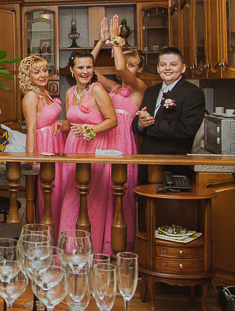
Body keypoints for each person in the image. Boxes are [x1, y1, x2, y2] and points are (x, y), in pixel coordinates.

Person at [91, 15, 147, 251]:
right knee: (100, 192)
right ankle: (101, 243)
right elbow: (87, 69)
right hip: (105, 141)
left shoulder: (139, 88)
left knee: (121, 194)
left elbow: (120, 68)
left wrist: (116, 40)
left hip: (123, 143)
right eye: (128, 63)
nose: (128, 68)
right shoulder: (113, 89)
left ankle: (121, 247)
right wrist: (101, 42)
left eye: (134, 65)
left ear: (139, 68)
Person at [57, 50, 118, 253]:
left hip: (93, 148)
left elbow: (112, 120)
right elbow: (70, 121)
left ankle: (91, 252)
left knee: (92, 202)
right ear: (72, 70)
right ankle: (69, 252)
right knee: (71, 199)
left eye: (89, 67)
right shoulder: (70, 92)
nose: (85, 71)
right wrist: (59, 125)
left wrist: (90, 130)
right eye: (80, 67)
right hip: (73, 148)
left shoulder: (97, 90)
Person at [132, 46, 205, 183]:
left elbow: (187, 129)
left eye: (173, 64)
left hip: (174, 165)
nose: (167, 68)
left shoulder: (193, 93)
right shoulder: (151, 91)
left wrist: (152, 124)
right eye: (163, 65)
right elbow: (136, 126)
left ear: (183, 68)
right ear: (158, 68)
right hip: (147, 162)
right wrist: (141, 123)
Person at [18, 55, 66, 223]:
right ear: (28, 76)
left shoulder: (45, 93)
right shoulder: (31, 96)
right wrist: (31, 158)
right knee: (49, 194)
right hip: (45, 147)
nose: (43, 75)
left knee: (60, 192)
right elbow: (31, 129)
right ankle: (47, 234)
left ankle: (59, 230)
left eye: (45, 70)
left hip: (57, 145)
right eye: (36, 72)